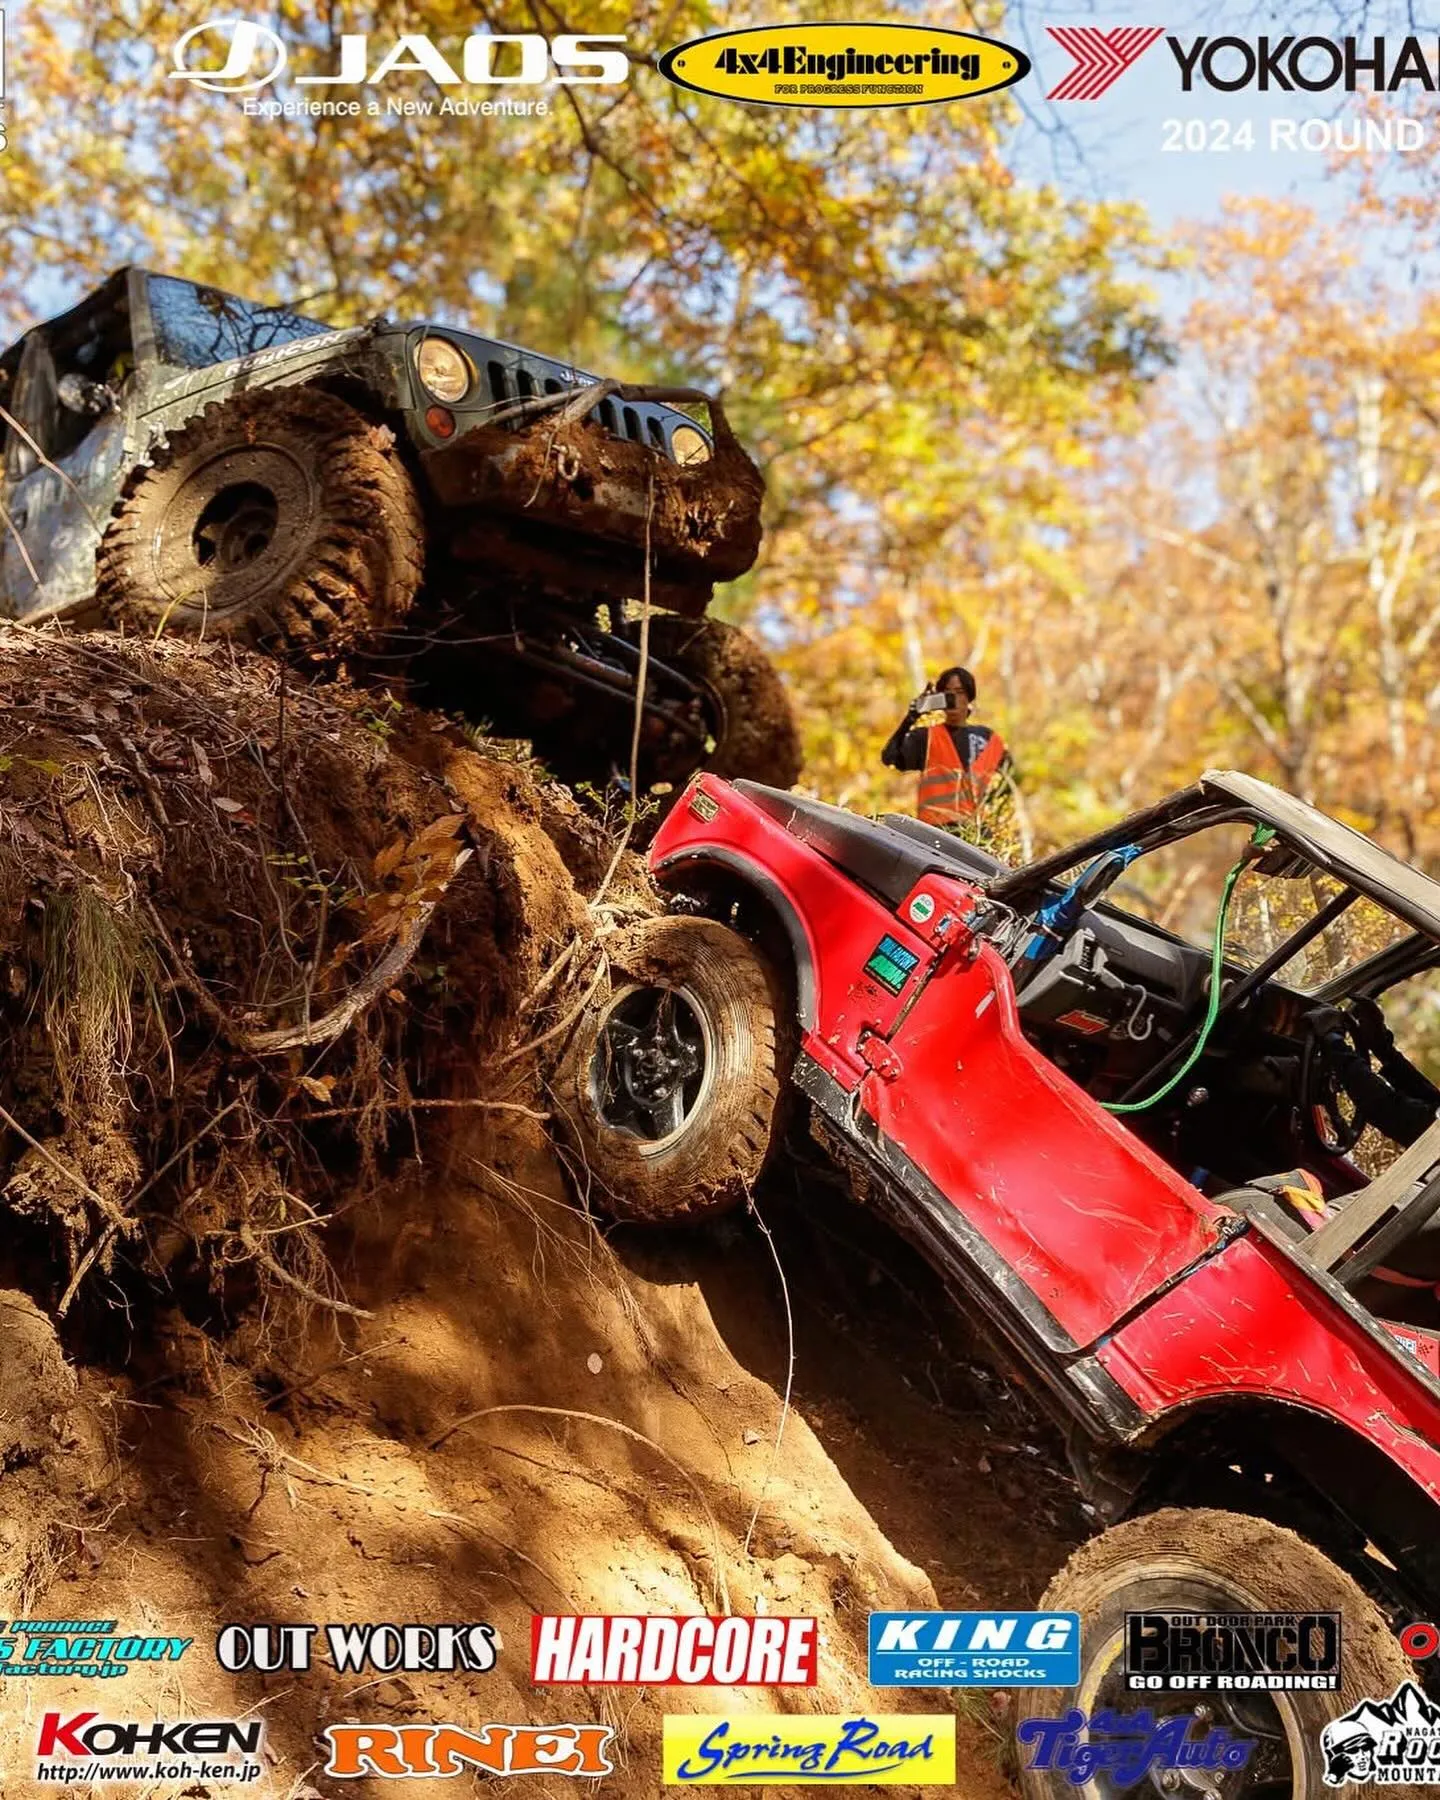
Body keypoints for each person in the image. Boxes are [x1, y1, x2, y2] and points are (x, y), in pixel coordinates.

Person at [881, 665, 1014, 834]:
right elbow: (889, 757)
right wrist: (911, 718)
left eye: (959, 692)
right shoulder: (926, 737)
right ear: (940, 698)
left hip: (975, 831)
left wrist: (989, 805)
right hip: (935, 832)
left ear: (969, 697)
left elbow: (1011, 777)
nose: (953, 698)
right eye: (947, 693)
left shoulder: (987, 739)